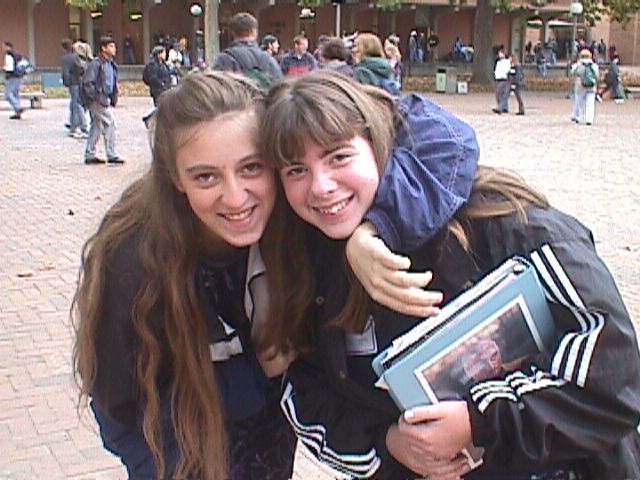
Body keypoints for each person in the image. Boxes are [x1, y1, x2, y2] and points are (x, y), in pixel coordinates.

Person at [259, 70, 640, 480]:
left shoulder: (504, 221)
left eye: (338, 157)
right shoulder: (306, 262)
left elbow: (614, 380)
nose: (321, 186)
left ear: (379, 145)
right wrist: (388, 442)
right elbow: (309, 389)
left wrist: (479, 421)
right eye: (296, 170)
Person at [72, 68, 451, 480]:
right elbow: (119, 403)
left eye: (252, 167)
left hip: (269, 447)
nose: (236, 197)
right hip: (177, 455)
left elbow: (440, 136)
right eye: (205, 177)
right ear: (174, 177)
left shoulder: (296, 212)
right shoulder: (134, 258)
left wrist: (374, 229)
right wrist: (251, 376)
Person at [81, 36, 124, 165]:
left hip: (104, 98)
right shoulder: (96, 64)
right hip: (97, 100)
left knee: (97, 125)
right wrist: (95, 97)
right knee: (110, 122)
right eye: (111, 46)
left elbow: (112, 83)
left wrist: (113, 97)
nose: (114, 49)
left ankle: (90, 153)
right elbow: (88, 82)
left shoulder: (111, 64)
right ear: (103, 48)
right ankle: (111, 154)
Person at [214, 12, 282, 85]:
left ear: (233, 33)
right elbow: (281, 87)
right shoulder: (269, 60)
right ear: (254, 32)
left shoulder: (224, 59)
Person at [352, 33, 400, 97]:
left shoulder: (360, 71)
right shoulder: (387, 67)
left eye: (356, 46)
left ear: (367, 48)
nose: (353, 50)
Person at [61, 38, 89, 138]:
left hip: (72, 83)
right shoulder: (74, 57)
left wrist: (66, 82)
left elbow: (65, 72)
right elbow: (80, 69)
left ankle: (79, 125)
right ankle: (76, 124)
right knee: (76, 103)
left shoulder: (66, 58)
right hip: (77, 81)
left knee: (76, 104)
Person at [571, 48, 599, 126]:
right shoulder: (593, 65)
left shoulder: (578, 64)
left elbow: (572, 72)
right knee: (590, 103)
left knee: (578, 102)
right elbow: (597, 75)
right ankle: (589, 119)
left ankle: (578, 117)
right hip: (591, 85)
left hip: (580, 85)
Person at [2, 41, 25, 120]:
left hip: (12, 77)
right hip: (19, 76)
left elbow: (10, 68)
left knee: (8, 95)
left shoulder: (9, 55)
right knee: (15, 94)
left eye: (4, 46)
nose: (3, 48)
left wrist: (4, 68)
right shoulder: (17, 54)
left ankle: (18, 107)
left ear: (8, 47)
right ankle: (18, 113)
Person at [492, 49, 511, 114]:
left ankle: (500, 107)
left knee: (500, 94)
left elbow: (507, 70)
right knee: (501, 94)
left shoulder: (507, 62)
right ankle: (504, 107)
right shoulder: (498, 62)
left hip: (504, 79)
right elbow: (497, 70)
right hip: (499, 79)